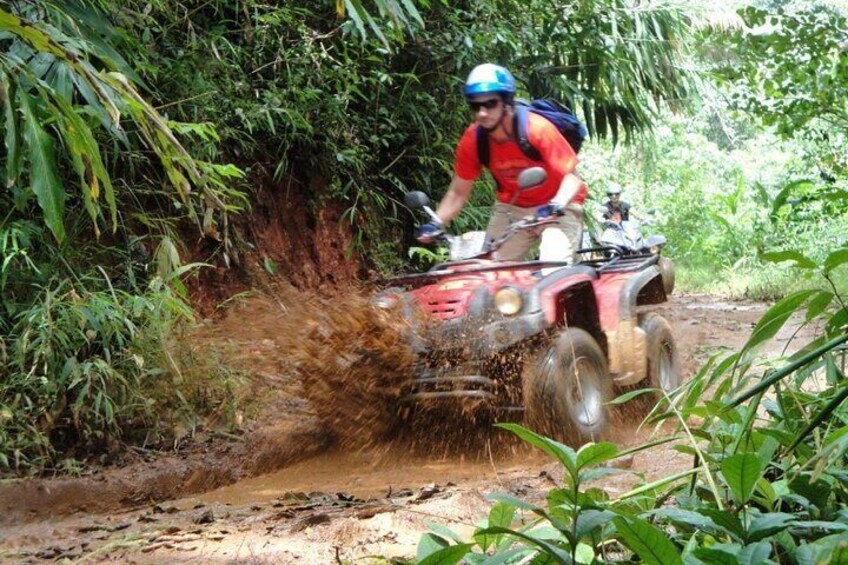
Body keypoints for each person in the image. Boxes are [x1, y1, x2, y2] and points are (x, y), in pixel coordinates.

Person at [416, 63, 586, 264]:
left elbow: (573, 179)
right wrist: (436, 222)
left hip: (559, 207)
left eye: (490, 104)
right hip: (513, 208)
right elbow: (458, 192)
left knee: (552, 268)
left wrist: (556, 204)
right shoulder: (473, 139)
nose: (482, 113)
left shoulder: (537, 129)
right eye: (475, 106)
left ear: (506, 102)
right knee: (488, 271)